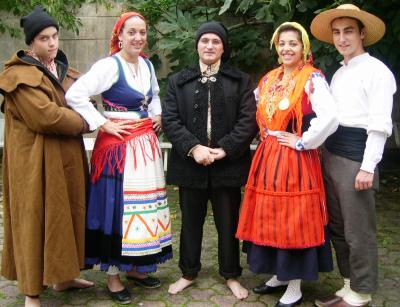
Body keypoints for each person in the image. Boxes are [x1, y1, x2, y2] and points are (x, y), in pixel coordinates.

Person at [65, 12, 172, 305]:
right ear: (119, 36)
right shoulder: (109, 66)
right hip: (118, 151)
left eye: (142, 32)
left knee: (143, 208)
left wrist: (157, 115)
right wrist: (103, 123)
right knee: (119, 209)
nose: (138, 38)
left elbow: (155, 95)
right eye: (132, 33)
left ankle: (136, 268)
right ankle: (113, 276)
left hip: (145, 148)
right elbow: (75, 95)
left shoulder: (147, 65)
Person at [235, 22, 338, 307]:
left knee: (294, 219)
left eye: (293, 43)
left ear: (304, 47)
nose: (286, 48)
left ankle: (295, 285)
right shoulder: (269, 79)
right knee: (271, 215)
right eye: (282, 43)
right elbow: (253, 110)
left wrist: (304, 140)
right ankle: (279, 275)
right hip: (269, 157)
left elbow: (330, 116)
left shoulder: (312, 78)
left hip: (295, 160)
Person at [0, 6, 94, 307]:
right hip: (34, 164)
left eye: (55, 36)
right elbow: (47, 117)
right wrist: (85, 121)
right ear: (31, 43)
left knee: (65, 218)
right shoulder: (18, 76)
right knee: (35, 220)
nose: (52, 43)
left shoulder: (64, 71)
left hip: (66, 161)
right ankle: (31, 292)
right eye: (44, 38)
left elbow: (87, 101)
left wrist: (85, 112)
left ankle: (64, 277)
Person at [162, 21, 257, 299]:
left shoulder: (240, 80)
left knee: (229, 222)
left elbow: (248, 119)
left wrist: (225, 148)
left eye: (216, 41)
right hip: (190, 164)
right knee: (190, 222)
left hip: (227, 164)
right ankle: (188, 272)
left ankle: (231, 274)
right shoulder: (179, 80)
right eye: (205, 41)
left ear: (223, 47)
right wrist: (194, 148)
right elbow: (170, 119)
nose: (210, 46)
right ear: (197, 46)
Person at [310, 4, 396, 307]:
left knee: (359, 229)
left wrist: (368, 167)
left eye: (348, 31)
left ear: (362, 33)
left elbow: (380, 124)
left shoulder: (377, 72)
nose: (342, 38)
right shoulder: (340, 73)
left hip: (357, 159)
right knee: (338, 226)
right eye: (336, 32)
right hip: (331, 154)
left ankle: (362, 293)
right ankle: (349, 285)